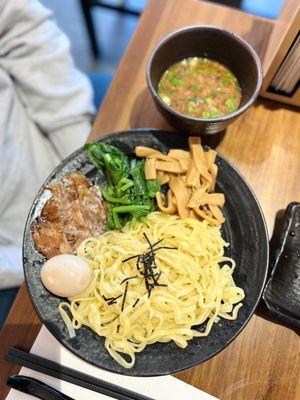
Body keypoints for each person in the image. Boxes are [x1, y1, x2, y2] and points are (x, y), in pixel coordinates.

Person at [0, 0, 95, 297]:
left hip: (46, 139)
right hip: (12, 260)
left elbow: (17, 24)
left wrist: (80, 162)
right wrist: (26, 260)